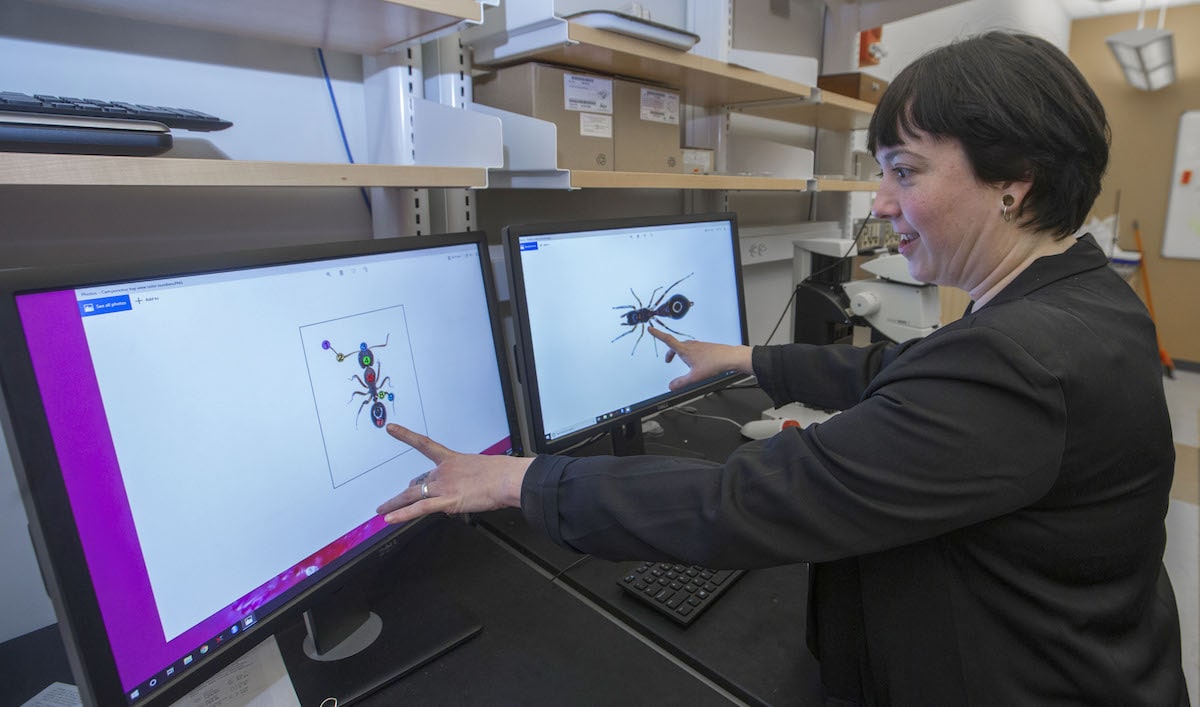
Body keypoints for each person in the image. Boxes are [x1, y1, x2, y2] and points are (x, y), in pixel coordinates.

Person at [378, 31, 1188, 705]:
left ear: (1015, 183)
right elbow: (904, 372)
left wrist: (517, 481)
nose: (878, 201)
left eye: (904, 170)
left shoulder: (1019, 356)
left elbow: (750, 500)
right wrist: (746, 358)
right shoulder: (1079, 299)